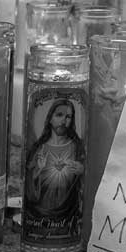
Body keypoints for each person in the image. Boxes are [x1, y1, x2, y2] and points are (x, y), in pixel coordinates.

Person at [24, 98, 86, 234]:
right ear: (50, 118)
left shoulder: (77, 147)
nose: (64, 121)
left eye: (68, 117)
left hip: (68, 213)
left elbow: (91, 179)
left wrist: (82, 171)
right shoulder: (39, 148)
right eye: (59, 115)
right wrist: (38, 170)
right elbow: (28, 187)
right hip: (40, 215)